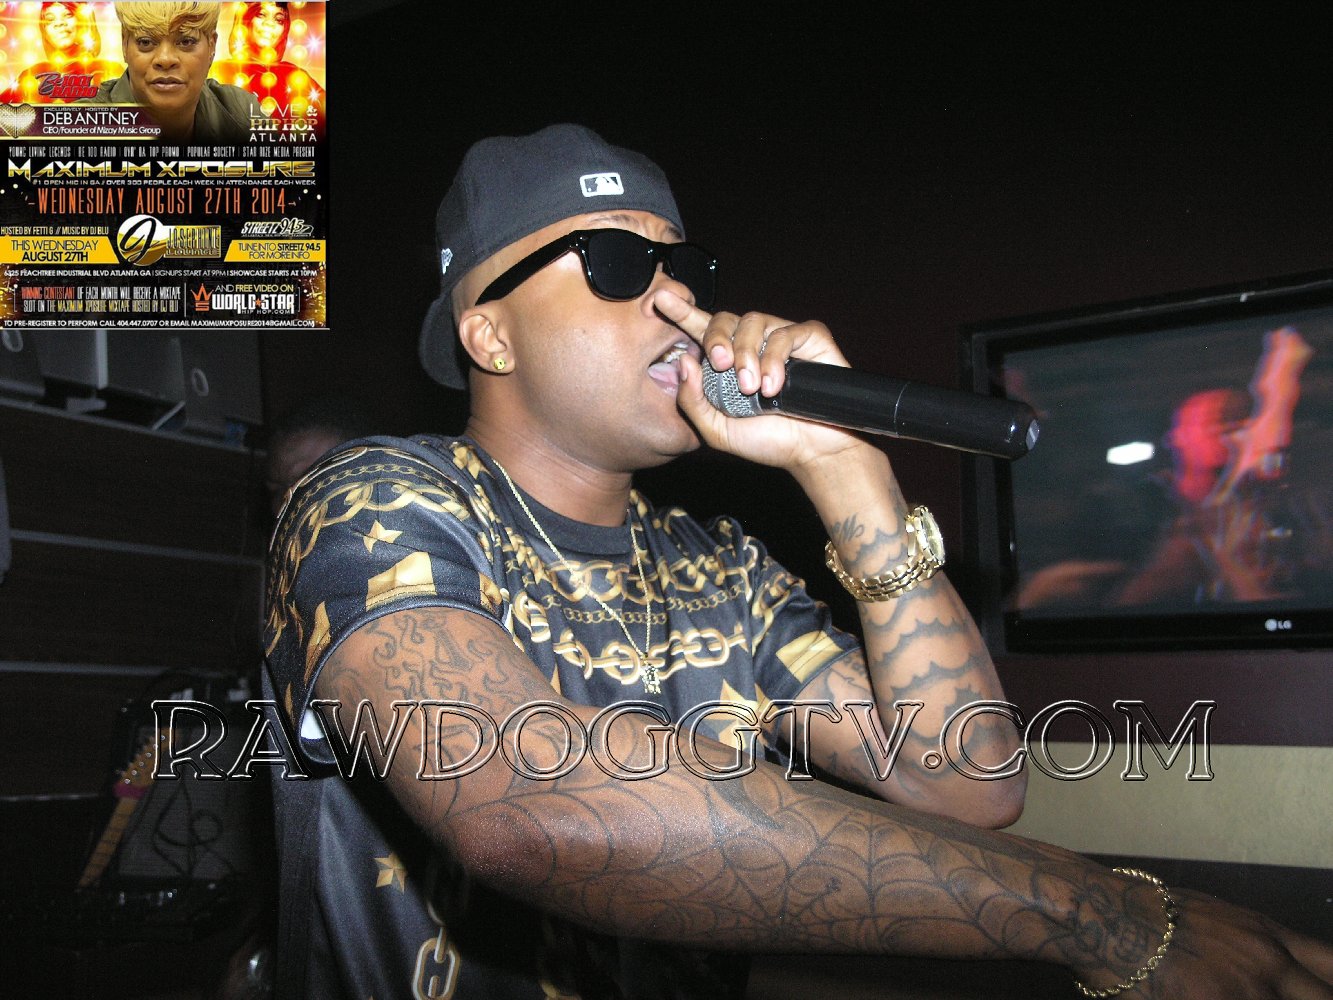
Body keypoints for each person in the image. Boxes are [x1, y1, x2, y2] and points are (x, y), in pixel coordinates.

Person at [263, 124, 1333, 999]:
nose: (677, 302)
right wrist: (1098, 912)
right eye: (617, 264)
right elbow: (534, 806)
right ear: (488, 334)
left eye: (685, 265)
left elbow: (967, 780)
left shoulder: (718, 568)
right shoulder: (379, 500)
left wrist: (845, 467)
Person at [81, 2, 260, 144]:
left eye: (186, 41)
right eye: (145, 42)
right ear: (124, 45)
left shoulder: (242, 112)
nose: (165, 59)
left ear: (211, 46)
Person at [211, 1, 324, 130]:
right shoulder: (219, 71)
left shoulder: (296, 76)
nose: (269, 23)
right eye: (261, 15)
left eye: (279, 20)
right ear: (247, 18)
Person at [0, 2, 124, 104]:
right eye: (50, 19)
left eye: (68, 15)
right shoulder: (31, 75)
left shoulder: (109, 70)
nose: (59, 23)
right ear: (44, 30)